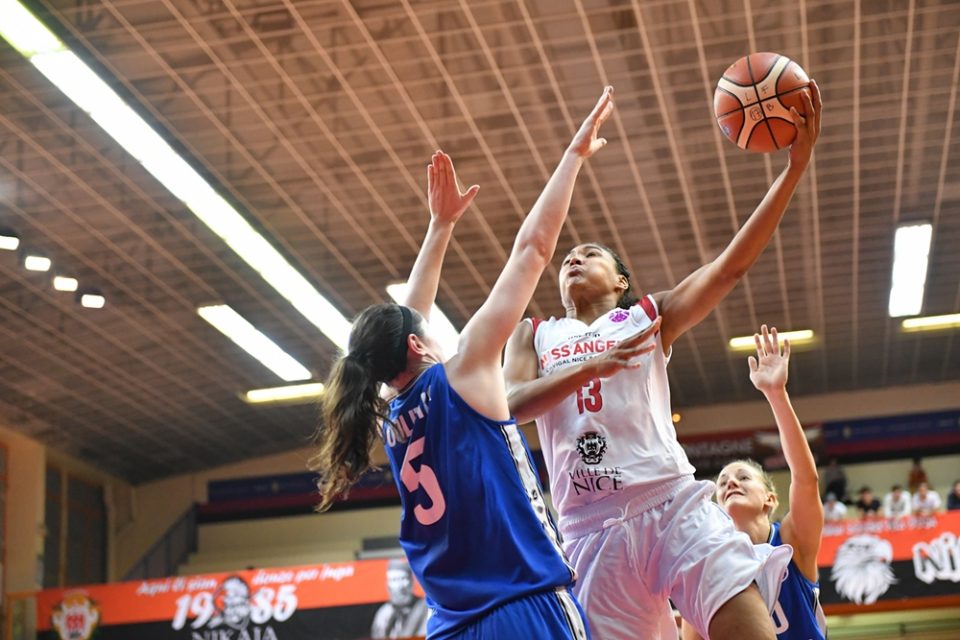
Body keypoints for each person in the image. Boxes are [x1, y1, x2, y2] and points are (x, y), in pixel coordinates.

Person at [503, 82, 822, 640]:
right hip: (586, 526)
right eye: (568, 257)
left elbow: (728, 269)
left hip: (670, 502)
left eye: (592, 254)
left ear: (622, 282)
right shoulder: (532, 333)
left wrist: (792, 170)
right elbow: (511, 407)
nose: (574, 257)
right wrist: (588, 369)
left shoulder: (648, 315)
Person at [311, 86, 618, 639]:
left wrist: (440, 227)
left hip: (450, 624)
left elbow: (407, 316)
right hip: (523, 605)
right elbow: (533, 251)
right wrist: (572, 157)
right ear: (418, 346)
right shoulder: (466, 374)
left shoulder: (389, 409)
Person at [684, 326, 826, 640]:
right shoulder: (709, 565)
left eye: (743, 477)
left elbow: (806, 479)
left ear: (770, 499)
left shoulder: (791, 541)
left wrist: (777, 395)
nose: (730, 483)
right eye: (722, 482)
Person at [370, 558, 430, 639]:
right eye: (394, 580)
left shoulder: (425, 608)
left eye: (403, 578)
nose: (400, 586)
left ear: (412, 582)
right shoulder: (383, 613)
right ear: (388, 585)